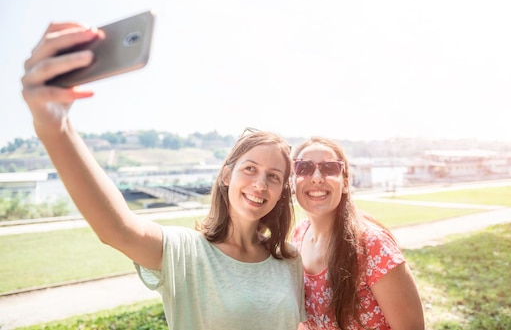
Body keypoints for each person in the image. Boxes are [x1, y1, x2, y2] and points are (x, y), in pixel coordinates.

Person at [21, 22, 305, 329]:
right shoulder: (186, 252)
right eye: (250, 169)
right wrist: (55, 128)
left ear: (281, 192)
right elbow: (116, 228)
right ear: (226, 176)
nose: (260, 184)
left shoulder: (288, 259)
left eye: (274, 177)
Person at [291, 137, 425, 330]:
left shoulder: (371, 244)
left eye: (329, 168)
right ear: (293, 182)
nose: (317, 177)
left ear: (345, 183)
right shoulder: (299, 234)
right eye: (304, 168)